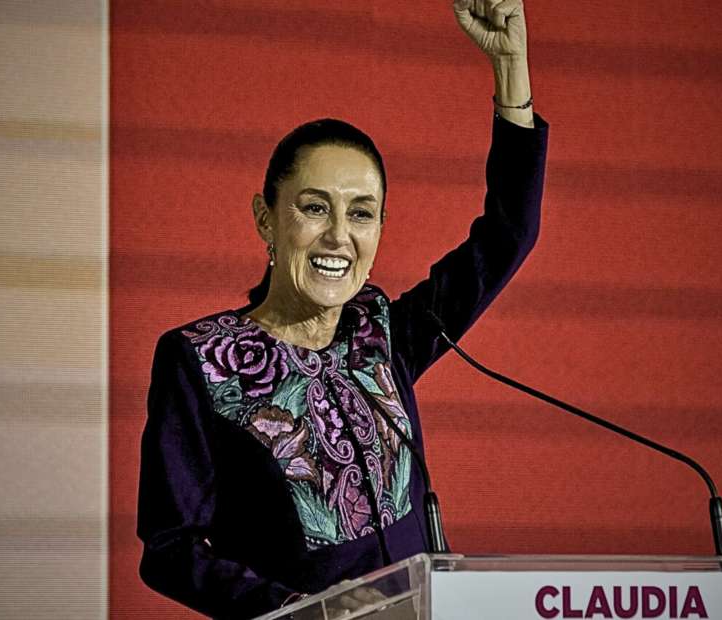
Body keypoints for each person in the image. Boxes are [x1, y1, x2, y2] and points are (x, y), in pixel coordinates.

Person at [137, 1, 548, 618]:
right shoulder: (201, 361)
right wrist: (306, 610)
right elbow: (171, 549)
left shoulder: (382, 335)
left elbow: (507, 234)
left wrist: (511, 68)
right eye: (314, 208)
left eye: (361, 213)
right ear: (265, 219)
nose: (338, 236)